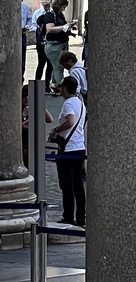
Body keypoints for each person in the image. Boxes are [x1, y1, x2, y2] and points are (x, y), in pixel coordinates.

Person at [47, 73, 86, 229]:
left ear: (65, 88)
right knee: (77, 185)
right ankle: (81, 216)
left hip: (68, 149)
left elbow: (70, 121)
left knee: (67, 185)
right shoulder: (80, 103)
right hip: (79, 147)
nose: (59, 89)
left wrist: (56, 130)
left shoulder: (68, 104)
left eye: (61, 86)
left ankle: (68, 216)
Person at [43, 0, 72, 92]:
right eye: (63, 7)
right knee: (58, 67)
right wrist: (64, 27)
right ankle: (62, 89)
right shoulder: (50, 15)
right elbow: (50, 29)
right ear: (59, 5)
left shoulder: (60, 15)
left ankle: (55, 86)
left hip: (62, 43)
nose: (64, 9)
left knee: (59, 66)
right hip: (54, 45)